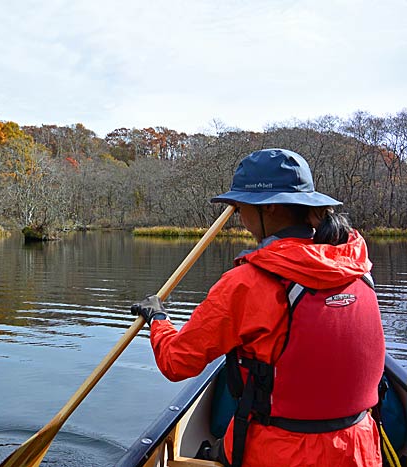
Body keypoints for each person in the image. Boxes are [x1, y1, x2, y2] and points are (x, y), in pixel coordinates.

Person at [131, 148, 386, 467]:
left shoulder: (246, 283)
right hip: (359, 449)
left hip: (279, 454)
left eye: (240, 208)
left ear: (271, 208)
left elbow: (176, 362)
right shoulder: (357, 266)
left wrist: (158, 318)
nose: (238, 215)